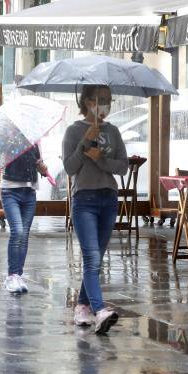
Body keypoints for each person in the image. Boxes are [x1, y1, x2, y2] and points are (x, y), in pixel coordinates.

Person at [62, 85, 128, 335]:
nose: (105, 105)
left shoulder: (113, 131)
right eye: (101, 100)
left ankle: (82, 306)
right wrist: (85, 142)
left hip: (108, 198)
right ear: (88, 102)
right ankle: (100, 310)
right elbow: (70, 168)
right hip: (84, 199)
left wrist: (100, 159)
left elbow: (122, 167)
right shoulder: (73, 131)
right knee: (91, 257)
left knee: (96, 259)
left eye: (109, 100)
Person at [0, 144, 48, 294]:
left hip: (29, 192)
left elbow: (40, 166)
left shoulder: (34, 141)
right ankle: (11, 276)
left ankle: (18, 275)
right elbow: (1, 158)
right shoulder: (8, 139)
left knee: (25, 234)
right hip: (10, 191)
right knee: (18, 232)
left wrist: (42, 168)